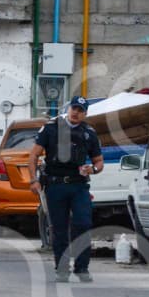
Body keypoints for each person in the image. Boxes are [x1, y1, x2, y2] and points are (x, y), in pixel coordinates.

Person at [28, 95, 104, 283]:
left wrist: (92, 169)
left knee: (83, 224)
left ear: (85, 113)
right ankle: (62, 268)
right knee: (59, 228)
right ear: (68, 108)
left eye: (80, 110)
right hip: (55, 185)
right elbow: (34, 155)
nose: (76, 113)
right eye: (74, 108)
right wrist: (33, 180)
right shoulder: (51, 128)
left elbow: (99, 161)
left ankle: (82, 267)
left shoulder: (89, 133)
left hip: (78, 185)